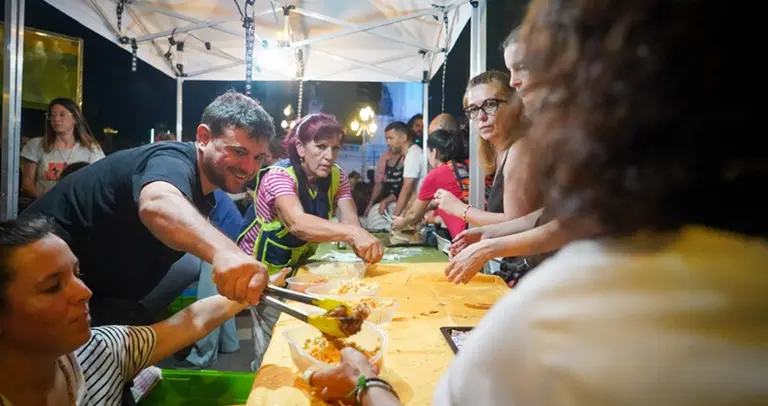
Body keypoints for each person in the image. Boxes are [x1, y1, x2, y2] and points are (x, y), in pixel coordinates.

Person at [303, 0, 767, 404]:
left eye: (529, 72)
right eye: (476, 107)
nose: (521, 87)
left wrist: (367, 383)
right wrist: (489, 235)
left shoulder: (552, 325)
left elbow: (552, 221)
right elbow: (550, 217)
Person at [22, 91, 275, 327]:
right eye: (239, 151)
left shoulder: (204, 190)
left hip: (94, 295)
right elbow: (157, 203)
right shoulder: (171, 158)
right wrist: (227, 253)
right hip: (33, 281)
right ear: (203, 137)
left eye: (258, 157)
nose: (248, 167)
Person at [0, 215, 290, 406]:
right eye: (52, 287)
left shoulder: (101, 352)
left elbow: (193, 320)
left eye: (78, 274)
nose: (84, 292)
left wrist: (255, 290)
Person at [237, 113, 383, 370]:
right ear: (301, 147)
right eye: (321, 146)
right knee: (275, 348)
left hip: (302, 274)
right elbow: (297, 223)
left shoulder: (337, 176)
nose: (330, 155)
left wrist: (363, 243)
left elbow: (351, 222)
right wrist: (352, 235)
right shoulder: (278, 177)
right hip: (264, 276)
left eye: (335, 148)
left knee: (307, 341)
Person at [433, 71, 538, 226]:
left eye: (490, 104)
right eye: (473, 109)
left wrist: (459, 209)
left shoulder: (519, 150)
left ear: (514, 106)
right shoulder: (501, 152)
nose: (481, 116)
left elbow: (516, 223)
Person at [391, 129, 469, 239]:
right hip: (477, 229)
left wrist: (401, 223)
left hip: (464, 235)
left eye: (427, 152)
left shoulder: (436, 174)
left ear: (434, 152)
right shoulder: (463, 166)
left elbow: (414, 214)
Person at [21, 98, 105, 198]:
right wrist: (43, 200)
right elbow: (27, 183)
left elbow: (99, 180)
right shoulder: (36, 145)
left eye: (62, 114)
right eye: (52, 115)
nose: (56, 119)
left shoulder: (91, 148)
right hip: (44, 208)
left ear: (75, 118)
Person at [363, 129, 405, 230]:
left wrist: (387, 201)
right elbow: (379, 183)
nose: (388, 142)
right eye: (386, 138)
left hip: (402, 203)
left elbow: (405, 187)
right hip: (385, 204)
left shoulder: (408, 157)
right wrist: (370, 204)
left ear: (403, 138)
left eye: (391, 138)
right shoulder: (385, 156)